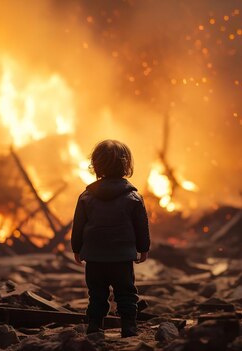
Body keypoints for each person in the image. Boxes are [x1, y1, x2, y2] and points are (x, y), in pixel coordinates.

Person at [71, 139, 150, 337]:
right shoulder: (133, 197)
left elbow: (78, 226)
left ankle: (94, 327)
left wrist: (76, 248)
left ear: (95, 165)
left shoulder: (86, 197)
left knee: (96, 294)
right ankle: (129, 328)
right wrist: (144, 248)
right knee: (126, 293)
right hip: (122, 258)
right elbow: (141, 226)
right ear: (126, 165)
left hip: (94, 258)